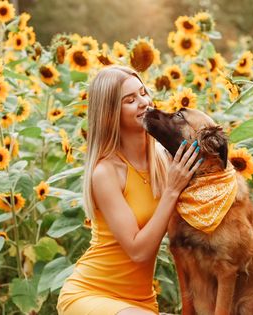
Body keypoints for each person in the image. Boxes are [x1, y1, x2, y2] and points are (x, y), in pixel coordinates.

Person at [57, 65, 202, 315]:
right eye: (130, 100)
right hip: (90, 294)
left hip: (141, 302)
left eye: (143, 92)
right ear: (110, 114)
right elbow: (138, 251)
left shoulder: (164, 160)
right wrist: (171, 190)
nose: (144, 102)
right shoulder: (106, 172)